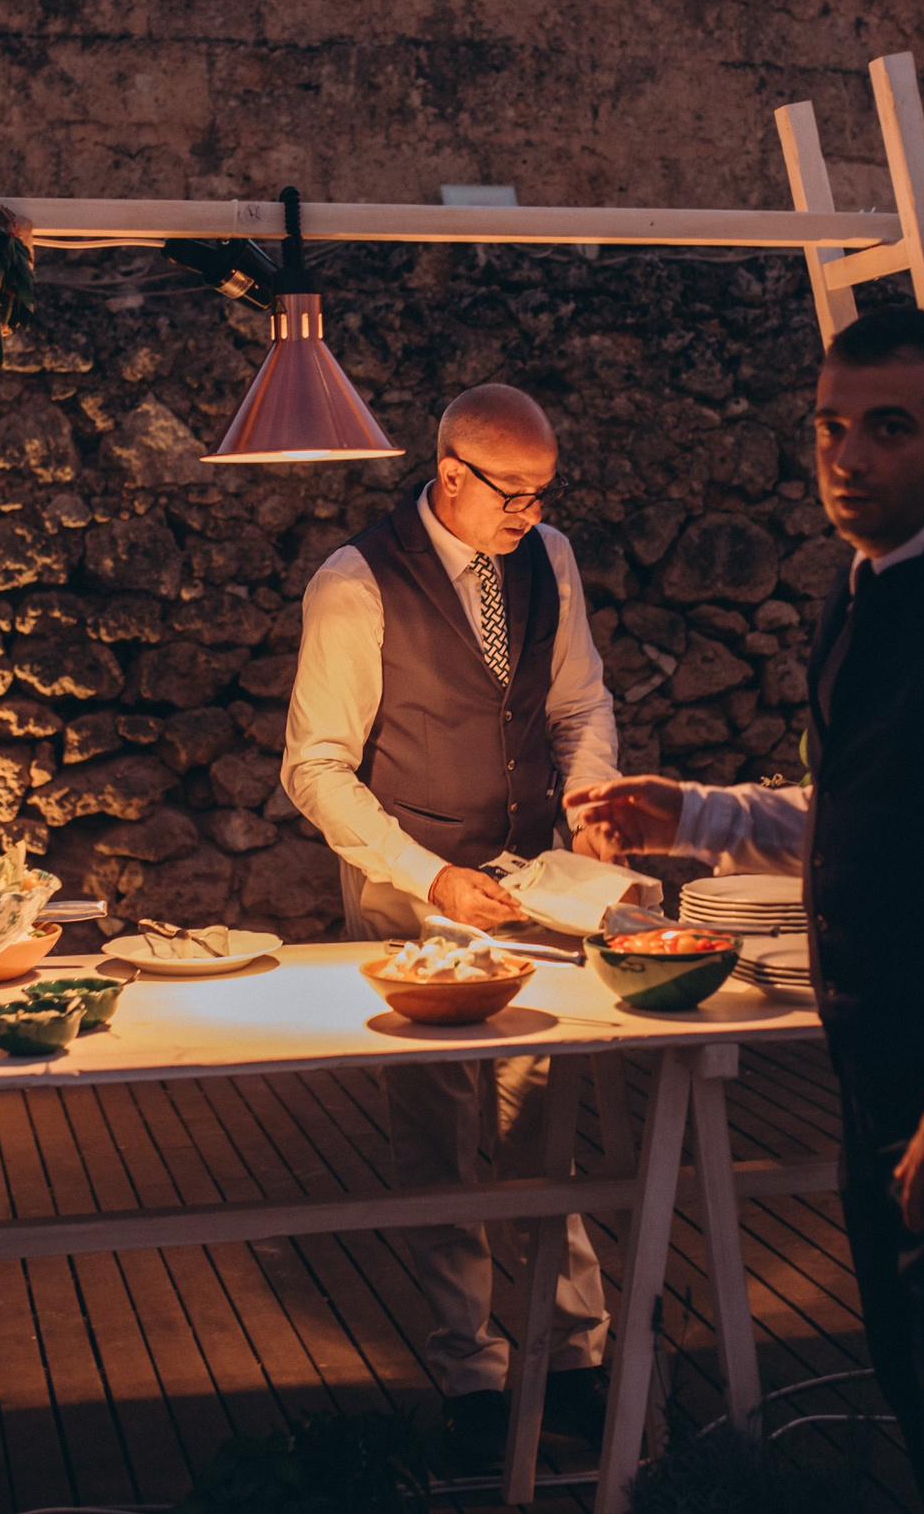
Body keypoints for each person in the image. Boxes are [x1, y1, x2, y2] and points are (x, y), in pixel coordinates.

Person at [565, 307, 924, 1513]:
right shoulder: (866, 590)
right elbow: (880, 812)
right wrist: (700, 815)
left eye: (889, 428)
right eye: (832, 427)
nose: (849, 455)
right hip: (886, 1073)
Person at [279, 383, 623, 1469]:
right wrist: (431, 877)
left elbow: (580, 703)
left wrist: (594, 802)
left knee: (543, 1124)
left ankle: (576, 1357)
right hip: (406, 890)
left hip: (535, 885)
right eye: (511, 494)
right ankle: (470, 1371)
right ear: (451, 475)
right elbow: (315, 769)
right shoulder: (353, 582)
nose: (529, 513)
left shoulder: (549, 558)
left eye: (542, 493)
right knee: (438, 1139)